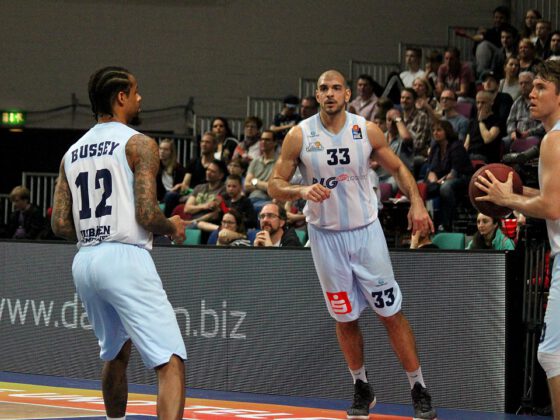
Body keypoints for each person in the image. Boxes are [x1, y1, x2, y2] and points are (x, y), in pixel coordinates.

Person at [268, 69, 436, 420]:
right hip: (325, 237)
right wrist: (300, 190)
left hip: (365, 232)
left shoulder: (365, 129)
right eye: (323, 88)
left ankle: (418, 386)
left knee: (389, 312)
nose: (329, 93)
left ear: (347, 95)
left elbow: (400, 169)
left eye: (336, 88)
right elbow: (274, 185)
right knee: (344, 317)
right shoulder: (299, 136)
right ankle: (360, 384)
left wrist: (418, 203)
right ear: (317, 96)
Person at [50, 66, 187, 419]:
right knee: (170, 360)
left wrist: (95, 227)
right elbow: (146, 214)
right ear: (120, 97)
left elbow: (60, 223)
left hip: (85, 260)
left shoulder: (71, 153)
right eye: (136, 91)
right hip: (125, 256)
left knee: (115, 353)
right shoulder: (139, 143)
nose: (140, 98)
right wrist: (172, 225)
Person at [474, 60, 560, 418]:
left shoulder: (554, 140)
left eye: (541, 87)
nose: (532, 93)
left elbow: (552, 208)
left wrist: (508, 199)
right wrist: (521, 190)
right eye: (532, 86)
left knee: (550, 354)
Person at [425, 120, 473, 232]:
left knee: (445, 187)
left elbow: (454, 172)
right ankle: (429, 224)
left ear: (447, 131)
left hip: (461, 178)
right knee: (423, 186)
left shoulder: (457, 146)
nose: (435, 133)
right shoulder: (435, 147)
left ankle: (446, 224)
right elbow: (430, 169)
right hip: (442, 180)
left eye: (439, 130)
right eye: (433, 131)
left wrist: (440, 181)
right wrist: (432, 178)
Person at [464, 90, 503, 163]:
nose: (479, 106)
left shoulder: (496, 120)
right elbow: (466, 144)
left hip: (486, 157)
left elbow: (487, 139)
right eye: (478, 102)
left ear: (491, 102)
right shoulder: (472, 122)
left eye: (483, 102)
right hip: (471, 156)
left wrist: (481, 121)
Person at [244, 130, 278, 213]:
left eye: (267, 140)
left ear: (274, 143)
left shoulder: (279, 163)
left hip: (267, 201)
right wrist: (265, 185)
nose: (263, 142)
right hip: (251, 199)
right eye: (262, 139)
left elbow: (274, 188)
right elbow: (246, 186)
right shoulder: (254, 162)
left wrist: (255, 181)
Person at [157, 138, 188, 217]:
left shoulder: (179, 169)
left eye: (166, 149)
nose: (162, 151)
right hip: (161, 198)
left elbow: (183, 187)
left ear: (171, 152)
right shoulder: (155, 167)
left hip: (175, 196)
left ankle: (166, 220)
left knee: (170, 195)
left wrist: (178, 187)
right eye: (160, 148)